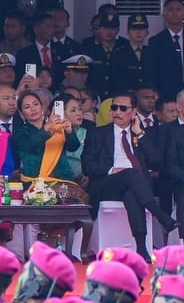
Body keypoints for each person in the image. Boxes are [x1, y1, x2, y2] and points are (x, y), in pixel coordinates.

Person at [82, 89, 176, 254]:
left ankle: (141, 248)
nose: (117, 112)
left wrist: (139, 133)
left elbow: (157, 162)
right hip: (107, 184)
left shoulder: (142, 134)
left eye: (123, 108)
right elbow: (87, 166)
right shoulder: (97, 134)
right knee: (131, 173)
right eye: (114, 108)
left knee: (132, 194)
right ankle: (160, 215)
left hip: (136, 187)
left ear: (133, 112)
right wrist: (111, 169)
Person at [13, 88, 82, 189]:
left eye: (36, 104)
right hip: (34, 183)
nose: (33, 109)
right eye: (27, 107)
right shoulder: (20, 132)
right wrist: (46, 129)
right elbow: (30, 145)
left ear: (42, 107)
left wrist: (68, 131)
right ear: (22, 113)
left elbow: (73, 147)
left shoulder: (57, 126)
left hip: (62, 180)